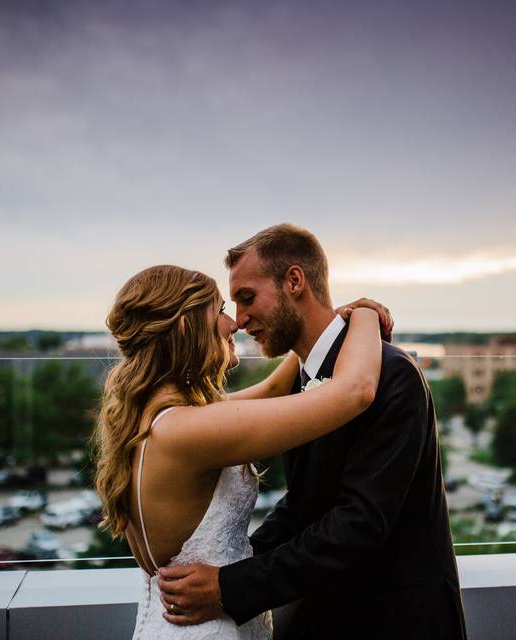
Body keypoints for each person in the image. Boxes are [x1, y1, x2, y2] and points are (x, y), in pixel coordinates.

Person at [157, 225, 468, 639]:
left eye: (247, 298)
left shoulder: (393, 375)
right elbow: (305, 503)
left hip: (397, 618)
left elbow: (360, 521)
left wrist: (231, 585)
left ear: (294, 281)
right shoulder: (302, 380)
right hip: (331, 612)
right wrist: (232, 564)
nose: (241, 318)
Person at [93, 263, 385, 639]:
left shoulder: (160, 419)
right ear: (186, 326)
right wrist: (365, 316)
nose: (234, 324)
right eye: (218, 310)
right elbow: (354, 391)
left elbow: (273, 391)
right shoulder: (189, 431)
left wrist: (326, 326)